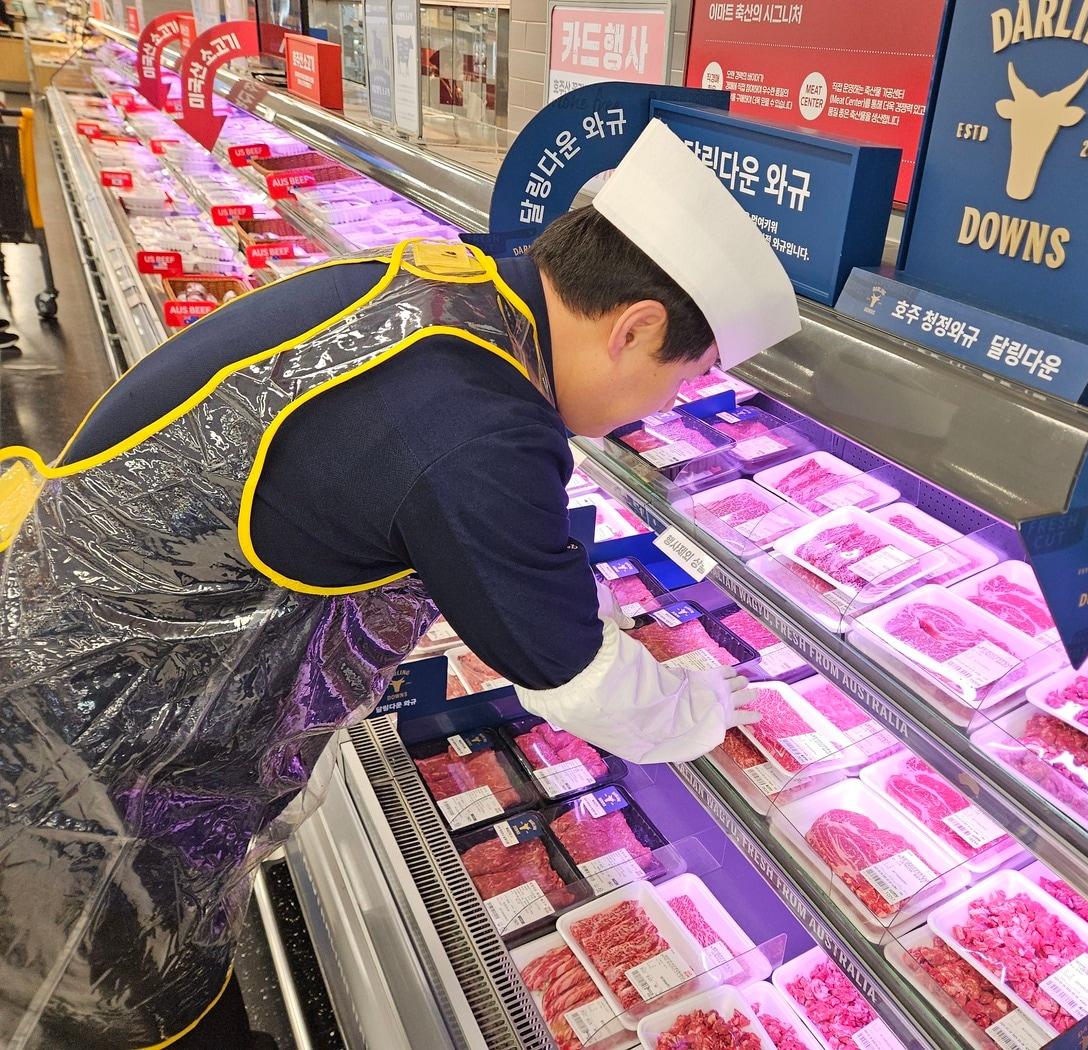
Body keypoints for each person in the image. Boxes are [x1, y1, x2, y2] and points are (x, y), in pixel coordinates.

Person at [0, 119, 800, 1049]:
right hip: (97, 769)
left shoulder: (453, 293)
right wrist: (706, 705)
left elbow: (477, 527)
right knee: (118, 998)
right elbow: (581, 681)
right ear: (638, 327)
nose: (670, 407)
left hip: (70, 658)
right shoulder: (482, 425)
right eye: (688, 377)